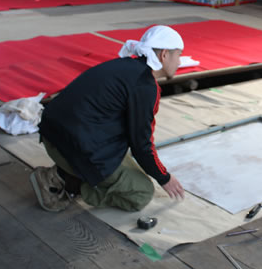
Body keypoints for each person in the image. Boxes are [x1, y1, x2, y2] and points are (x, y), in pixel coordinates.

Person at [31, 25, 186, 212]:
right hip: (68, 144)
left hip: (52, 132)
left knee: (122, 154)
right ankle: (64, 182)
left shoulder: (125, 66)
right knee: (141, 192)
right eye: (178, 55)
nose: (179, 62)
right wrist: (164, 178)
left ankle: (69, 173)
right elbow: (142, 146)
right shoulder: (145, 86)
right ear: (164, 55)